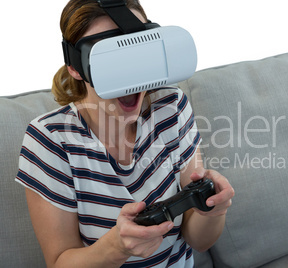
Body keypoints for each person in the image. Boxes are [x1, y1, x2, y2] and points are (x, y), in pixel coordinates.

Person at [15, 0, 234, 267]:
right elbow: (59, 261)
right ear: (75, 68)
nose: (130, 77)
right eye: (112, 61)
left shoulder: (171, 108)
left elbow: (198, 240)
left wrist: (212, 211)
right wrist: (116, 247)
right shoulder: (50, 138)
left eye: (139, 55)